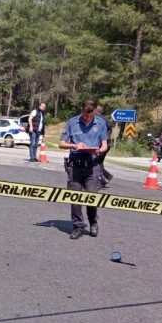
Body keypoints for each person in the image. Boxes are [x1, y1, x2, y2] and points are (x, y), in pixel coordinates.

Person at [58, 98, 109, 240]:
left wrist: (99, 151)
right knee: (75, 198)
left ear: (95, 111)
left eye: (90, 115)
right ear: (81, 110)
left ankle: (93, 222)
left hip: (92, 167)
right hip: (75, 166)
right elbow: (61, 143)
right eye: (85, 115)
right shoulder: (72, 122)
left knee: (92, 197)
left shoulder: (101, 123)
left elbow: (104, 144)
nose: (87, 118)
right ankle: (78, 226)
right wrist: (74, 146)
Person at [95, 106, 113, 187]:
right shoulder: (105, 119)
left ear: (95, 110)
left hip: (101, 145)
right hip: (107, 144)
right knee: (99, 162)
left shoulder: (97, 119)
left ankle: (104, 178)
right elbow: (110, 131)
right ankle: (104, 178)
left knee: (95, 162)